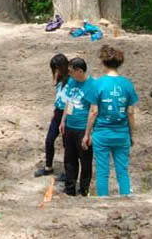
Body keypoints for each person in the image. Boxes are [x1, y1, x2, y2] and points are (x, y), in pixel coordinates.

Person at [83, 45, 139, 197]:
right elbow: (131, 113)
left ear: (103, 62)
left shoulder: (98, 84)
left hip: (102, 133)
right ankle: (126, 198)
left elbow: (94, 111)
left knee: (102, 171)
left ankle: (103, 201)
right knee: (122, 170)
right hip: (122, 134)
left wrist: (87, 134)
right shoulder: (127, 84)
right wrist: (132, 135)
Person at [58, 58, 95, 196]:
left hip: (82, 128)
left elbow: (93, 111)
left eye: (71, 71)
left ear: (80, 71)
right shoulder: (72, 82)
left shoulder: (92, 86)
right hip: (70, 127)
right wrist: (63, 121)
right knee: (69, 159)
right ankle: (70, 188)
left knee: (85, 161)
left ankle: (84, 189)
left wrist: (88, 133)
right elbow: (69, 102)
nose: (70, 74)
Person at [35, 53, 69, 179]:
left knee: (67, 144)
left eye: (57, 69)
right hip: (58, 112)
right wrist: (54, 112)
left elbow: (70, 101)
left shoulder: (71, 80)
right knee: (49, 140)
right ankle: (48, 167)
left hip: (67, 114)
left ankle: (68, 171)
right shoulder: (60, 80)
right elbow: (58, 95)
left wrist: (64, 120)